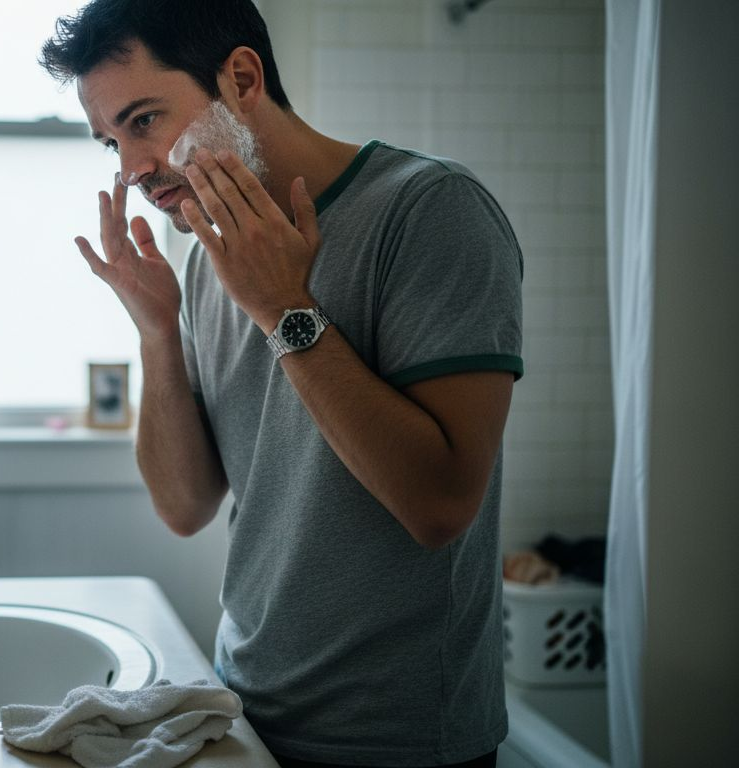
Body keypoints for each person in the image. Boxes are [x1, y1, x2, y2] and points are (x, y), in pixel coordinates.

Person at [40, 2, 523, 767]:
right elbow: (183, 506)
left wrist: (284, 308)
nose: (129, 169)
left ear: (240, 79)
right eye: (110, 141)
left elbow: (440, 505)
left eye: (143, 121)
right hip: (245, 710)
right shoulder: (207, 260)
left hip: (397, 741)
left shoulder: (430, 213)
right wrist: (158, 335)